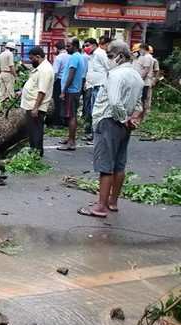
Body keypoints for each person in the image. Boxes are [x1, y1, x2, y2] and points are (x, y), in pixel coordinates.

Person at [78, 40, 143, 218]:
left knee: (105, 165)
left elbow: (114, 102)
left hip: (109, 120)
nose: (108, 60)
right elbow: (139, 104)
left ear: (120, 56)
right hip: (125, 123)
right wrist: (132, 118)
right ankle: (112, 202)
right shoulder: (136, 75)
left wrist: (122, 118)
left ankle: (100, 207)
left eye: (110, 56)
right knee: (119, 164)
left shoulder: (115, 75)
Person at [20, 46, 54, 157]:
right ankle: (33, 150)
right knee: (32, 129)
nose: (31, 61)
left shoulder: (45, 70)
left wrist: (35, 108)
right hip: (31, 104)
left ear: (38, 57)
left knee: (36, 130)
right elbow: (35, 84)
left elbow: (42, 91)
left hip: (36, 106)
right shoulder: (40, 67)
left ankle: (37, 153)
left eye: (32, 58)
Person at [58, 38, 87, 151]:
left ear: (75, 46)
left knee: (71, 116)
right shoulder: (78, 56)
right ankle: (69, 137)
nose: (66, 48)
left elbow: (71, 74)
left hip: (71, 90)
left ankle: (71, 142)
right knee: (70, 115)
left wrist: (64, 90)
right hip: (74, 89)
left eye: (68, 46)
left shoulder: (75, 57)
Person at [81, 38, 97, 141]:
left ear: (94, 45)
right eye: (85, 46)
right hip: (89, 85)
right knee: (88, 108)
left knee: (93, 110)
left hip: (95, 86)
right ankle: (88, 130)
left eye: (88, 45)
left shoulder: (99, 55)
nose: (86, 48)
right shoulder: (91, 57)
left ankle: (93, 132)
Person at [51, 40, 69, 126]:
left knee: (57, 102)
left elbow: (55, 72)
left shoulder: (58, 58)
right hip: (68, 80)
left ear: (57, 48)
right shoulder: (70, 56)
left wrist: (52, 83)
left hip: (59, 81)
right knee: (66, 102)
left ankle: (57, 122)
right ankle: (66, 121)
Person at [132, 43, 153, 114]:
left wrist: (139, 79)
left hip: (144, 82)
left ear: (144, 49)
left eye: (140, 50)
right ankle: (142, 114)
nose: (140, 51)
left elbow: (146, 70)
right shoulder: (146, 57)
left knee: (143, 99)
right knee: (143, 99)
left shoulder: (147, 57)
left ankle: (142, 114)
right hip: (144, 81)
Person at [146, 45, 159, 111]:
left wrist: (154, 81)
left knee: (148, 97)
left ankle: (147, 112)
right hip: (143, 81)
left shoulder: (154, 60)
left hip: (149, 80)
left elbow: (157, 71)